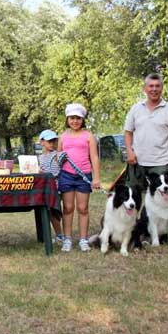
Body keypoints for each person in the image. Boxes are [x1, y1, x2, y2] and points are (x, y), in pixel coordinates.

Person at [124, 73, 168, 191]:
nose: (154, 89)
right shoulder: (136, 108)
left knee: (160, 198)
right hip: (137, 161)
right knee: (132, 197)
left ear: (162, 88)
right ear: (145, 89)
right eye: (151, 86)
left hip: (161, 162)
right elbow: (128, 133)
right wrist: (130, 152)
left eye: (157, 86)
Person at [58, 103, 101, 252]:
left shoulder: (88, 136)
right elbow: (58, 157)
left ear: (83, 119)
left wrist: (96, 178)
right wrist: (59, 158)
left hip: (84, 176)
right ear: (67, 119)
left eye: (78, 118)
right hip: (66, 176)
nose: (75, 121)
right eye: (72, 118)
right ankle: (67, 239)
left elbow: (94, 157)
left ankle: (83, 239)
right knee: (68, 208)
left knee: (83, 208)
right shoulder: (62, 136)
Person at [37, 129, 64, 244]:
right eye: (49, 141)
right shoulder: (40, 158)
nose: (52, 144)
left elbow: (57, 170)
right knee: (47, 212)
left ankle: (60, 236)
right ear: (42, 142)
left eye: (54, 141)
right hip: (45, 189)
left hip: (56, 188)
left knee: (54, 211)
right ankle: (52, 235)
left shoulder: (57, 155)